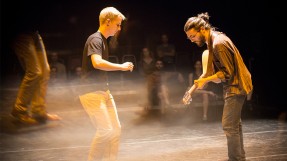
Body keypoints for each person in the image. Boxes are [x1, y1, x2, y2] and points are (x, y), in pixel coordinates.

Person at [183, 12, 253, 161]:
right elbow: (206, 73)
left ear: (202, 29)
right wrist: (191, 91)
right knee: (234, 125)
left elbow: (228, 72)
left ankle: (236, 158)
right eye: (189, 38)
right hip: (232, 86)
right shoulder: (211, 42)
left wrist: (208, 79)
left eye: (192, 36)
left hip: (236, 85)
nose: (191, 40)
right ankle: (239, 158)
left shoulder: (218, 43)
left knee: (229, 125)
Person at [78, 7, 134, 161]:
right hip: (91, 92)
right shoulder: (95, 39)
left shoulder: (103, 40)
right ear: (108, 22)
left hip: (103, 91)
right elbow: (96, 62)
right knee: (105, 130)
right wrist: (121, 66)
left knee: (115, 130)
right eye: (118, 24)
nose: (119, 28)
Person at [10, 31, 61, 125]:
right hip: (21, 33)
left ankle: (38, 110)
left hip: (35, 34)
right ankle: (20, 110)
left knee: (45, 71)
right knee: (34, 72)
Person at [188, 56, 217, 121]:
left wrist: (201, 89)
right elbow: (191, 87)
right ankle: (192, 115)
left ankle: (204, 115)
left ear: (201, 66)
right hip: (195, 93)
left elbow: (205, 86)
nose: (198, 66)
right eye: (197, 64)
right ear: (195, 66)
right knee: (191, 90)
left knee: (205, 95)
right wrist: (206, 91)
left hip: (201, 92)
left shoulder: (204, 75)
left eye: (199, 64)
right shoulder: (191, 75)